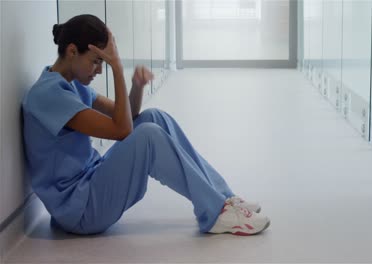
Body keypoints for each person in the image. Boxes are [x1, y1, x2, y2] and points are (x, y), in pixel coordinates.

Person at [22, 14, 270, 236]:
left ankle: (224, 199)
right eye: (96, 61)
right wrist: (117, 68)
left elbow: (129, 115)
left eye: (103, 63)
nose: (99, 70)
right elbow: (121, 130)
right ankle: (216, 214)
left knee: (153, 117)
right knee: (148, 135)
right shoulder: (48, 95)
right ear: (72, 51)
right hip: (79, 209)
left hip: (90, 183)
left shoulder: (71, 84)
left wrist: (136, 87)